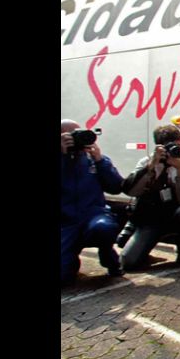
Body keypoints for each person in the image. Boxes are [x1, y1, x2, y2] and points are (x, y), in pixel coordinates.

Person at [119, 124, 180, 269]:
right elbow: (130, 191)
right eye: (169, 147)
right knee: (128, 261)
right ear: (159, 147)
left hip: (175, 215)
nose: (174, 151)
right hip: (152, 218)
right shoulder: (147, 162)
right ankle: (141, 242)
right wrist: (151, 166)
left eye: (177, 146)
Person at [60, 119, 125, 285]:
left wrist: (100, 161)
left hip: (93, 215)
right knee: (63, 276)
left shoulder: (93, 159)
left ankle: (107, 254)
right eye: (71, 135)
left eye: (79, 132)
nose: (77, 138)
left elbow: (116, 187)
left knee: (104, 227)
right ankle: (70, 262)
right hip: (65, 221)